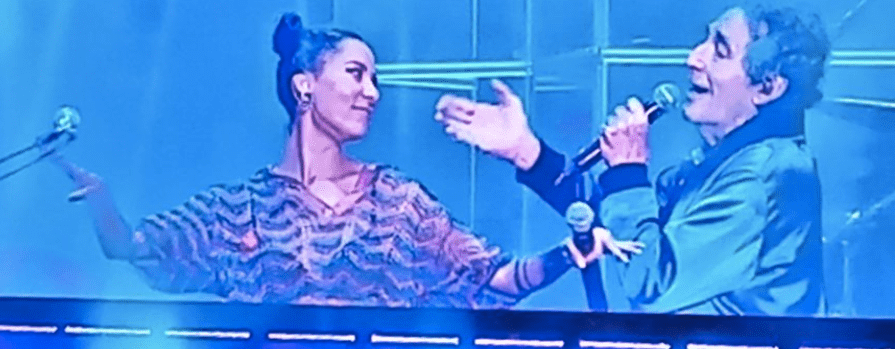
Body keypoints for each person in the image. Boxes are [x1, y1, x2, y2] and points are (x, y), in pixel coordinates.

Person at [55, 13, 639, 308]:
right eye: (356, 74)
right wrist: (102, 203)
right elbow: (136, 250)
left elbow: (493, 279)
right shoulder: (240, 209)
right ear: (306, 86)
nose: (373, 92)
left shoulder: (399, 203)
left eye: (376, 78)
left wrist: (569, 254)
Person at [436, 5, 829, 316]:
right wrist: (526, 151)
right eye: (704, 41)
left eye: (719, 50)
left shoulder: (768, 175)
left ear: (767, 87)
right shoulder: (724, 165)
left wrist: (627, 172)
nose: (694, 58)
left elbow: (653, 284)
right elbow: (627, 229)